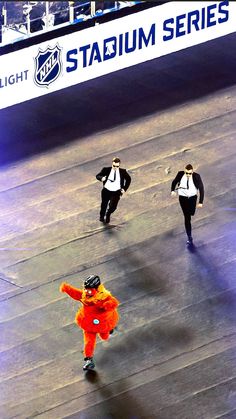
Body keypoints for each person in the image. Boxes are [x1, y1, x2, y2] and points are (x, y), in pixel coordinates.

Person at [60, 274, 119, 371]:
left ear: (96, 289)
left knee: (104, 336)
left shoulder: (104, 297)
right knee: (89, 342)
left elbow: (113, 302)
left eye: (89, 290)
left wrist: (108, 305)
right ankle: (89, 360)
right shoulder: (85, 296)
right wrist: (67, 289)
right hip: (88, 325)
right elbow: (77, 294)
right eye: (85, 289)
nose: (86, 292)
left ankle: (109, 331)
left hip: (103, 325)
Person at [171, 164, 204, 245]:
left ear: (192, 172)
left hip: (192, 198)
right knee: (187, 217)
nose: (188, 175)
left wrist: (200, 202)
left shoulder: (196, 176)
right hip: (183, 198)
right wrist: (172, 190)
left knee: (191, 213)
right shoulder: (180, 174)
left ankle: (189, 217)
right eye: (187, 173)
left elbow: (201, 189)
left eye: (190, 173)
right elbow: (174, 182)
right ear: (184, 170)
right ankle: (189, 237)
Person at [96, 157, 131, 224]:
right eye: (114, 166)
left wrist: (124, 189)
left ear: (119, 165)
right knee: (104, 204)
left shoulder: (123, 172)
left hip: (116, 192)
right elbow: (98, 175)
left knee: (113, 206)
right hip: (106, 190)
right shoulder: (106, 169)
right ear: (112, 164)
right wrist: (102, 178)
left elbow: (128, 179)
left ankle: (108, 214)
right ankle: (102, 216)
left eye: (117, 166)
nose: (115, 167)